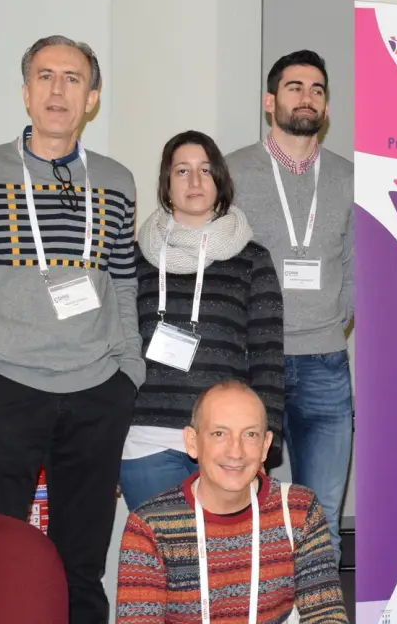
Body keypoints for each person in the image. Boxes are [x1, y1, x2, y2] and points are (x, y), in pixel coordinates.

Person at [0, 35, 144, 623]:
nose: (57, 89)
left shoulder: (116, 182)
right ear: (25, 92)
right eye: (45, 76)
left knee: (80, 569)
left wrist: (129, 372)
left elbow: (122, 283)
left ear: (91, 98)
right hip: (1, 393)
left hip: (97, 394)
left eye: (72, 78)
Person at [226, 50, 354, 559]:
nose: (307, 97)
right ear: (269, 101)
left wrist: (336, 319)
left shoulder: (348, 177)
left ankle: (317, 599)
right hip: (254, 362)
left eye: (317, 90)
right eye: (295, 87)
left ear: (326, 107)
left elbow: (356, 263)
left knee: (321, 515)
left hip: (326, 362)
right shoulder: (232, 171)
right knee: (240, 508)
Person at [118, 131, 286, 510]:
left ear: (219, 180)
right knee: (160, 547)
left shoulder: (252, 259)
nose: (194, 181)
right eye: (182, 171)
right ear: (166, 184)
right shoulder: (135, 258)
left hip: (227, 445)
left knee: (224, 549)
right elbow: (116, 351)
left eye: (205, 170)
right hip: (147, 440)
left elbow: (268, 359)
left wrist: (264, 442)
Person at [116, 380, 347, 622]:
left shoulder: (298, 509)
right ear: (192, 442)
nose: (235, 452)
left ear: (265, 445)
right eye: (219, 434)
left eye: (250, 434)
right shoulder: (149, 527)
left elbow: (326, 614)